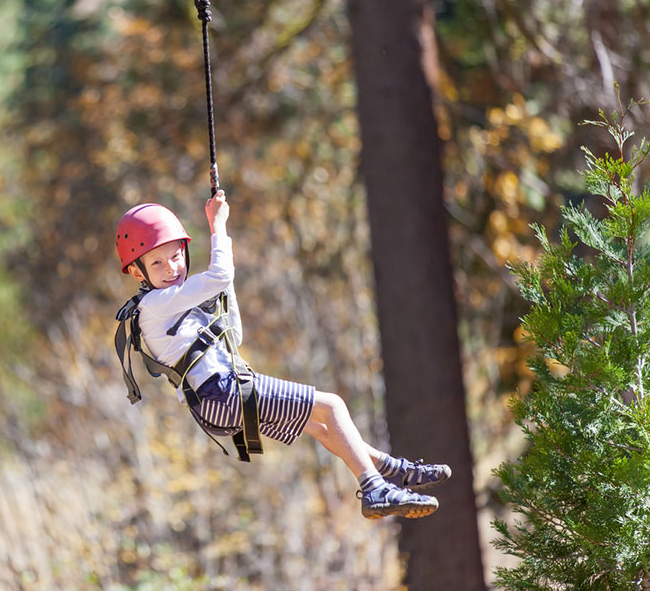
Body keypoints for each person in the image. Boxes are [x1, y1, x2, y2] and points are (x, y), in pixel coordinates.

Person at [114, 190, 451, 519]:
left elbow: (234, 334)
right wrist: (219, 227)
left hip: (220, 399)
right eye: (157, 262)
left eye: (175, 256)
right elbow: (219, 274)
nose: (171, 268)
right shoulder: (156, 305)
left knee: (322, 425)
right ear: (137, 272)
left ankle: (392, 470)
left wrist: (222, 288)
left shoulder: (177, 303)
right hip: (222, 393)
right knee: (332, 406)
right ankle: (375, 487)